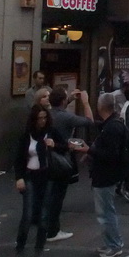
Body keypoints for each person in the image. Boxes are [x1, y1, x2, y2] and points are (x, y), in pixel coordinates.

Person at [73, 92, 126, 257]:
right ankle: (113, 242)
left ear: (101, 107)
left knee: (105, 212)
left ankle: (114, 244)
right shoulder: (113, 124)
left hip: (105, 174)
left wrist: (89, 150)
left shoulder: (111, 127)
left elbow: (110, 154)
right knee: (106, 210)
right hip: (108, 173)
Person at [12, 104, 65, 257]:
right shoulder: (27, 135)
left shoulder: (51, 133)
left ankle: (39, 248)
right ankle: (20, 247)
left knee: (43, 213)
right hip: (30, 175)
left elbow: (65, 147)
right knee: (27, 214)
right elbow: (19, 158)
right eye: (39, 118)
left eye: (44, 118)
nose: (42, 121)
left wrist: (54, 145)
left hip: (46, 176)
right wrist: (19, 177)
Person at [44, 87, 94, 241]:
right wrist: (85, 103)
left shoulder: (48, 114)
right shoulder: (66, 117)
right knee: (58, 195)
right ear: (63, 101)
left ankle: (46, 226)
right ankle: (53, 231)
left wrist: (70, 98)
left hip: (46, 157)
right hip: (61, 157)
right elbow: (89, 122)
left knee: (49, 192)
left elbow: (60, 106)